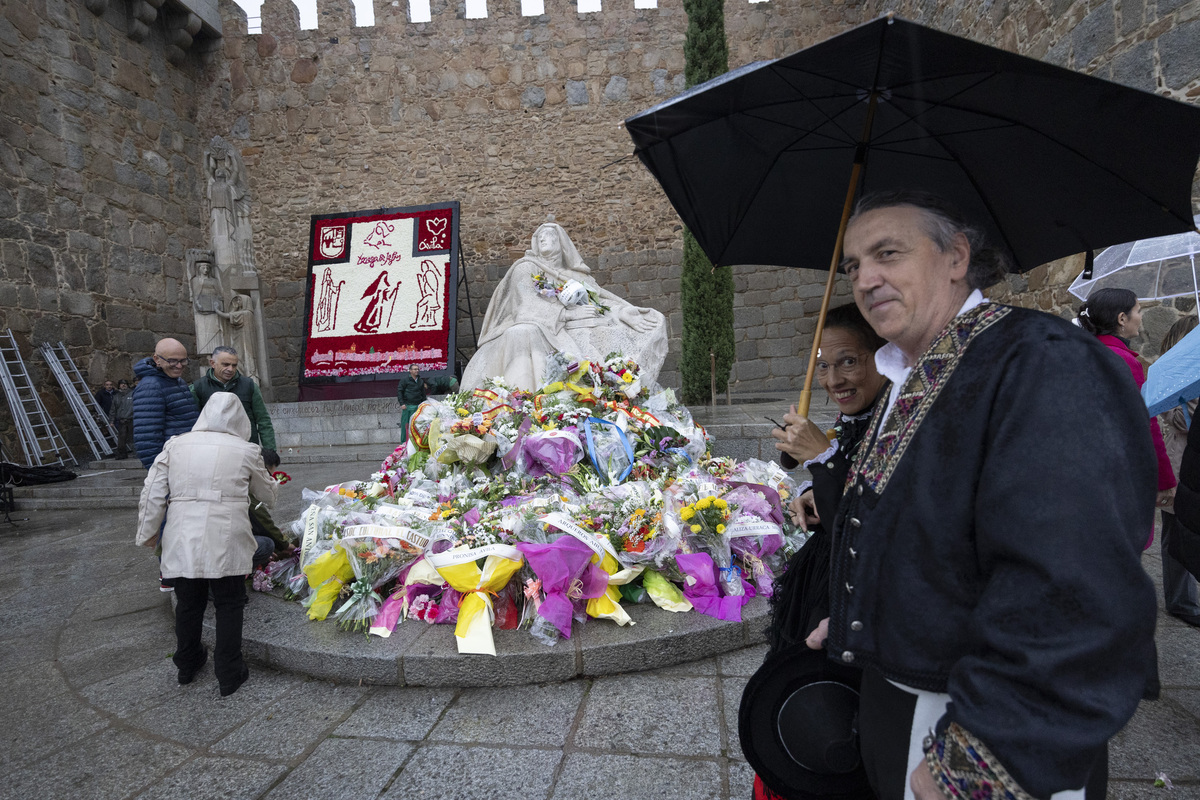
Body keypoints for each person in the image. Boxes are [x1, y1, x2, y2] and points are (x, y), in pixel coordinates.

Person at [803, 190, 1156, 800]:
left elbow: (1075, 593)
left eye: (888, 252)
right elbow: (933, 532)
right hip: (900, 698)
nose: (866, 278)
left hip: (979, 734)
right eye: (855, 265)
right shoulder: (911, 374)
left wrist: (978, 763)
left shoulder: (1042, 363)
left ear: (956, 255)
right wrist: (869, 614)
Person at [135, 393, 278, 697]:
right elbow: (267, 494)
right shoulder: (246, 450)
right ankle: (229, 672)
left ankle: (187, 663)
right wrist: (273, 483)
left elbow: (153, 492)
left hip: (183, 534)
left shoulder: (175, 445)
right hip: (225, 535)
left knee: (189, 603)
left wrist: (148, 532)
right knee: (229, 604)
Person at [460, 222, 668, 391]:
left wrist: (621, 311)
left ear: (561, 242)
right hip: (537, 326)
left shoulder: (576, 276)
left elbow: (598, 301)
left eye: (548, 233)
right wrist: (568, 314)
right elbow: (525, 306)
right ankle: (522, 400)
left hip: (570, 330)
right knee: (522, 331)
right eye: (538, 235)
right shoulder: (526, 268)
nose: (542, 237)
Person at [1078, 287, 1177, 521]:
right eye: (1138, 311)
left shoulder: (1083, 351)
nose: (1141, 317)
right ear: (1122, 319)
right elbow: (1144, 424)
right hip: (1120, 471)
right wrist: (1164, 480)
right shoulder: (1123, 361)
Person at [1156, 316, 1200, 627]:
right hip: (1180, 465)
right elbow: (1182, 422)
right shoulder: (1173, 375)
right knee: (1175, 535)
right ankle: (1181, 602)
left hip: (1191, 466)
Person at [191, 346, 276, 452]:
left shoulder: (249, 386)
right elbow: (191, 421)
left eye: (234, 365)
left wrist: (270, 451)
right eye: (225, 364)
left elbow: (263, 420)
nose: (230, 369)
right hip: (212, 450)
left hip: (246, 449)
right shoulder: (198, 387)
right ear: (212, 363)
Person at [132, 338, 200, 470]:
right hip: (171, 464)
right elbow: (146, 439)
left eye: (183, 360)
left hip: (185, 459)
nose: (179, 366)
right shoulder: (150, 386)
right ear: (157, 359)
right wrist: (159, 473)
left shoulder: (177, 381)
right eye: (172, 361)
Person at [397, 364, 428, 444]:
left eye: (417, 369)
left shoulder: (420, 381)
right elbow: (400, 391)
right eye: (414, 369)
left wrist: (424, 404)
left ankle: (416, 443)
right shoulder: (405, 380)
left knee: (417, 426)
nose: (416, 371)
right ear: (410, 371)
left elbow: (423, 394)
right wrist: (402, 403)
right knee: (406, 426)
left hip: (418, 406)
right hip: (408, 406)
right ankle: (404, 443)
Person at [111, 379, 135, 460]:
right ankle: (122, 454)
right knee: (121, 439)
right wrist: (111, 420)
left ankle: (137, 453)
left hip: (132, 419)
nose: (123, 385)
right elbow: (113, 409)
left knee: (134, 438)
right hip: (121, 420)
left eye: (125, 384)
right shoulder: (116, 396)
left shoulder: (133, 394)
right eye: (121, 384)